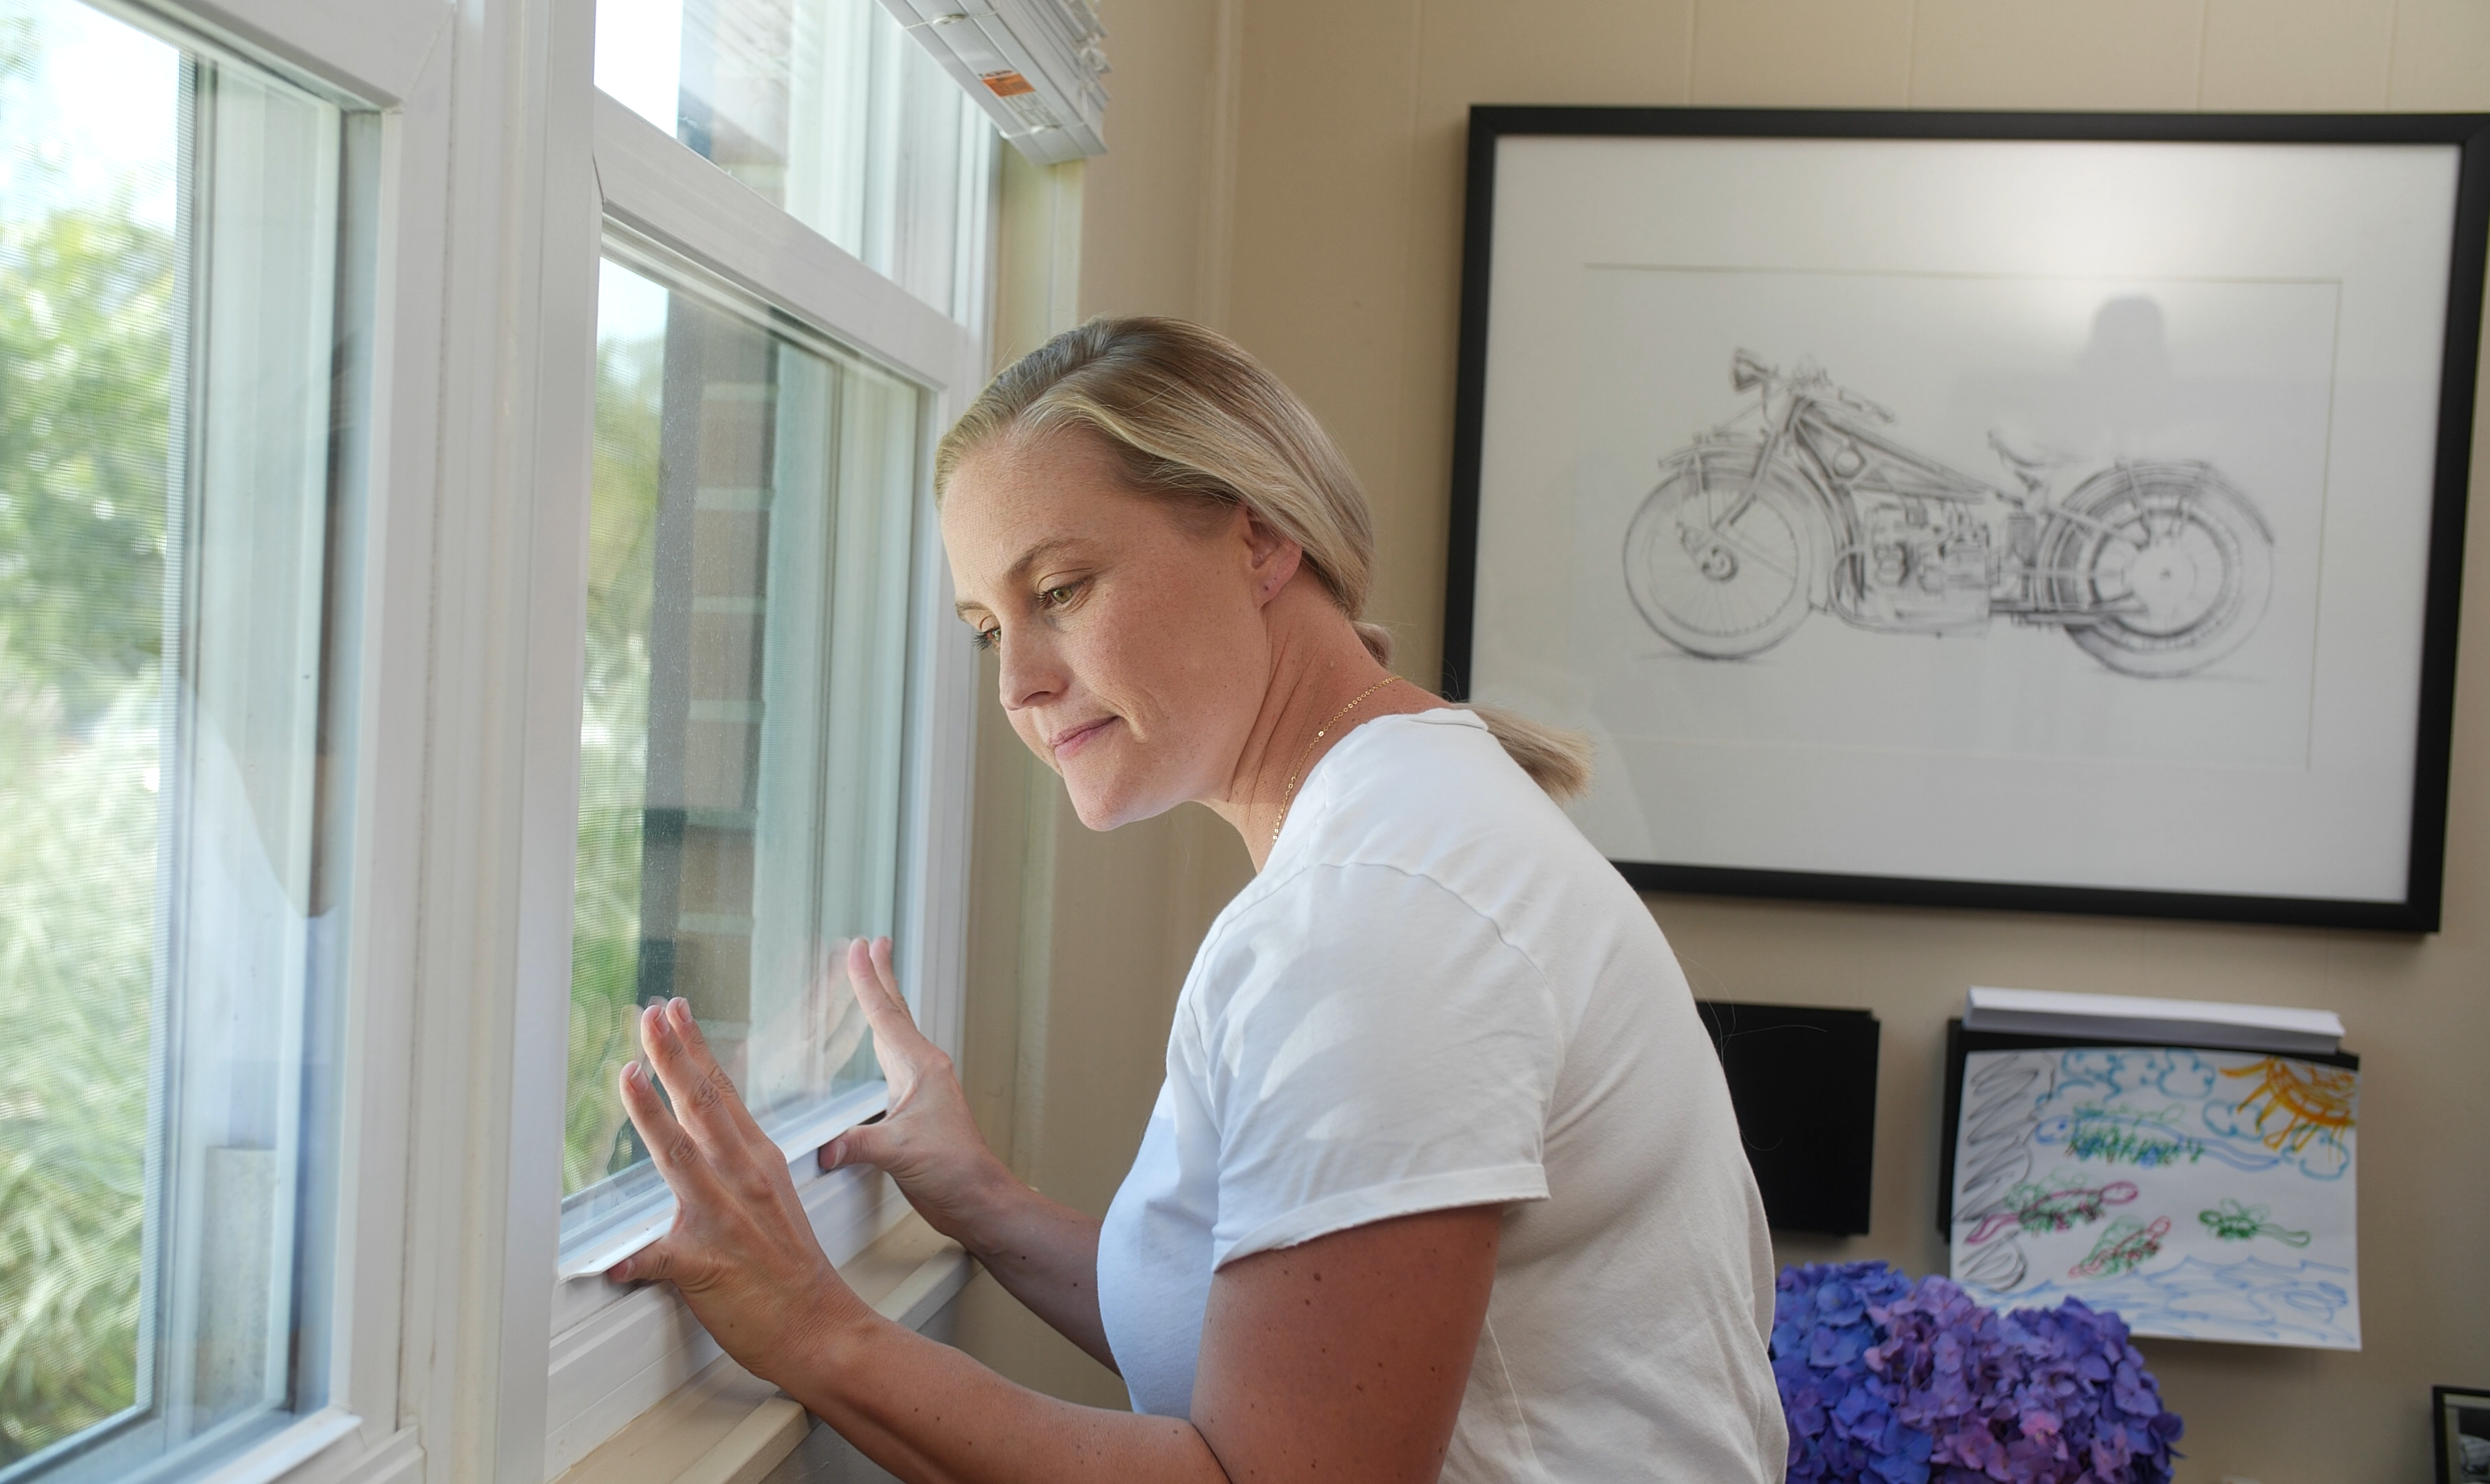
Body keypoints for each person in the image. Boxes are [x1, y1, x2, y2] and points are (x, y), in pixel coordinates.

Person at [607, 317, 1788, 1483]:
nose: (1018, 682)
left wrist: (816, 1330)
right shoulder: (1420, 810)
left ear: (1260, 540)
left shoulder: (1374, 919)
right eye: (986, 631)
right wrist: (986, 1204)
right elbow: (1279, 1350)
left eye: (1060, 589)